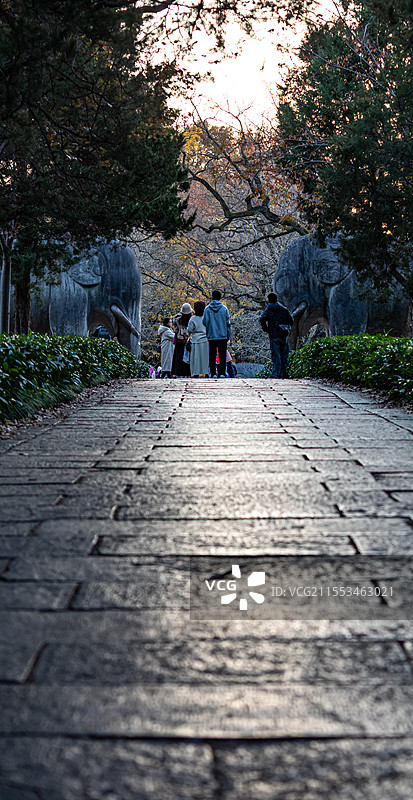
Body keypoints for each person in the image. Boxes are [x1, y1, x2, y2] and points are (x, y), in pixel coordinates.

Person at [260, 292, 294, 379]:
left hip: (274, 335)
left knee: (276, 355)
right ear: (277, 299)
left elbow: (262, 319)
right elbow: (291, 320)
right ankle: (284, 373)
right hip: (283, 334)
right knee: (284, 355)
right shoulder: (284, 309)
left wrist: (267, 329)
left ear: (268, 301)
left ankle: (276, 374)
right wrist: (286, 327)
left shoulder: (269, 310)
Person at [202, 290, 231, 378]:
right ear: (220, 298)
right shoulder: (224, 309)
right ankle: (222, 372)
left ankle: (213, 373)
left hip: (211, 335)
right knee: (222, 354)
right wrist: (228, 335)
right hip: (222, 335)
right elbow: (228, 323)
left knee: (212, 355)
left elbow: (204, 322)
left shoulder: (207, 309)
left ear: (212, 297)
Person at [187, 300, 209, 377]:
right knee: (205, 358)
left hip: (196, 340)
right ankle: (205, 372)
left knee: (196, 358)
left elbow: (189, 329)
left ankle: (195, 372)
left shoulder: (193, 318)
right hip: (206, 339)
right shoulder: (206, 317)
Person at [171, 302, 193, 377]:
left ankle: (178, 373)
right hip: (188, 342)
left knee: (179, 358)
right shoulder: (191, 320)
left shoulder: (177, 320)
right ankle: (188, 373)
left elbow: (175, 326)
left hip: (179, 342)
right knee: (188, 358)